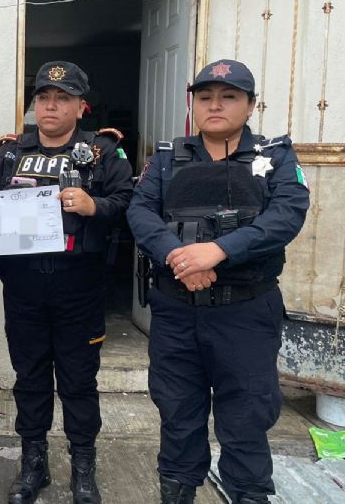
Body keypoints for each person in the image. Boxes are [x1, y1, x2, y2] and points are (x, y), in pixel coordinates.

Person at [127, 59, 310, 504]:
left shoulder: (275, 157)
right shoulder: (167, 158)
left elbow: (286, 216)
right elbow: (140, 212)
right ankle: (177, 491)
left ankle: (248, 493)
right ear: (193, 104)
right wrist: (181, 258)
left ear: (250, 105)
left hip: (245, 311)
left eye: (228, 97)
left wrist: (219, 250)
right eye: (205, 97)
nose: (215, 105)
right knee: (177, 412)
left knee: (247, 416)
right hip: (177, 311)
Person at [0, 61, 133, 504]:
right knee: (30, 377)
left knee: (78, 381)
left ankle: (83, 467)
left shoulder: (103, 151)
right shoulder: (11, 152)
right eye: (44, 98)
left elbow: (131, 206)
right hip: (24, 288)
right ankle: (33, 462)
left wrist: (95, 206)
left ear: (80, 105)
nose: (51, 106)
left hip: (79, 288)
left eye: (62, 98)